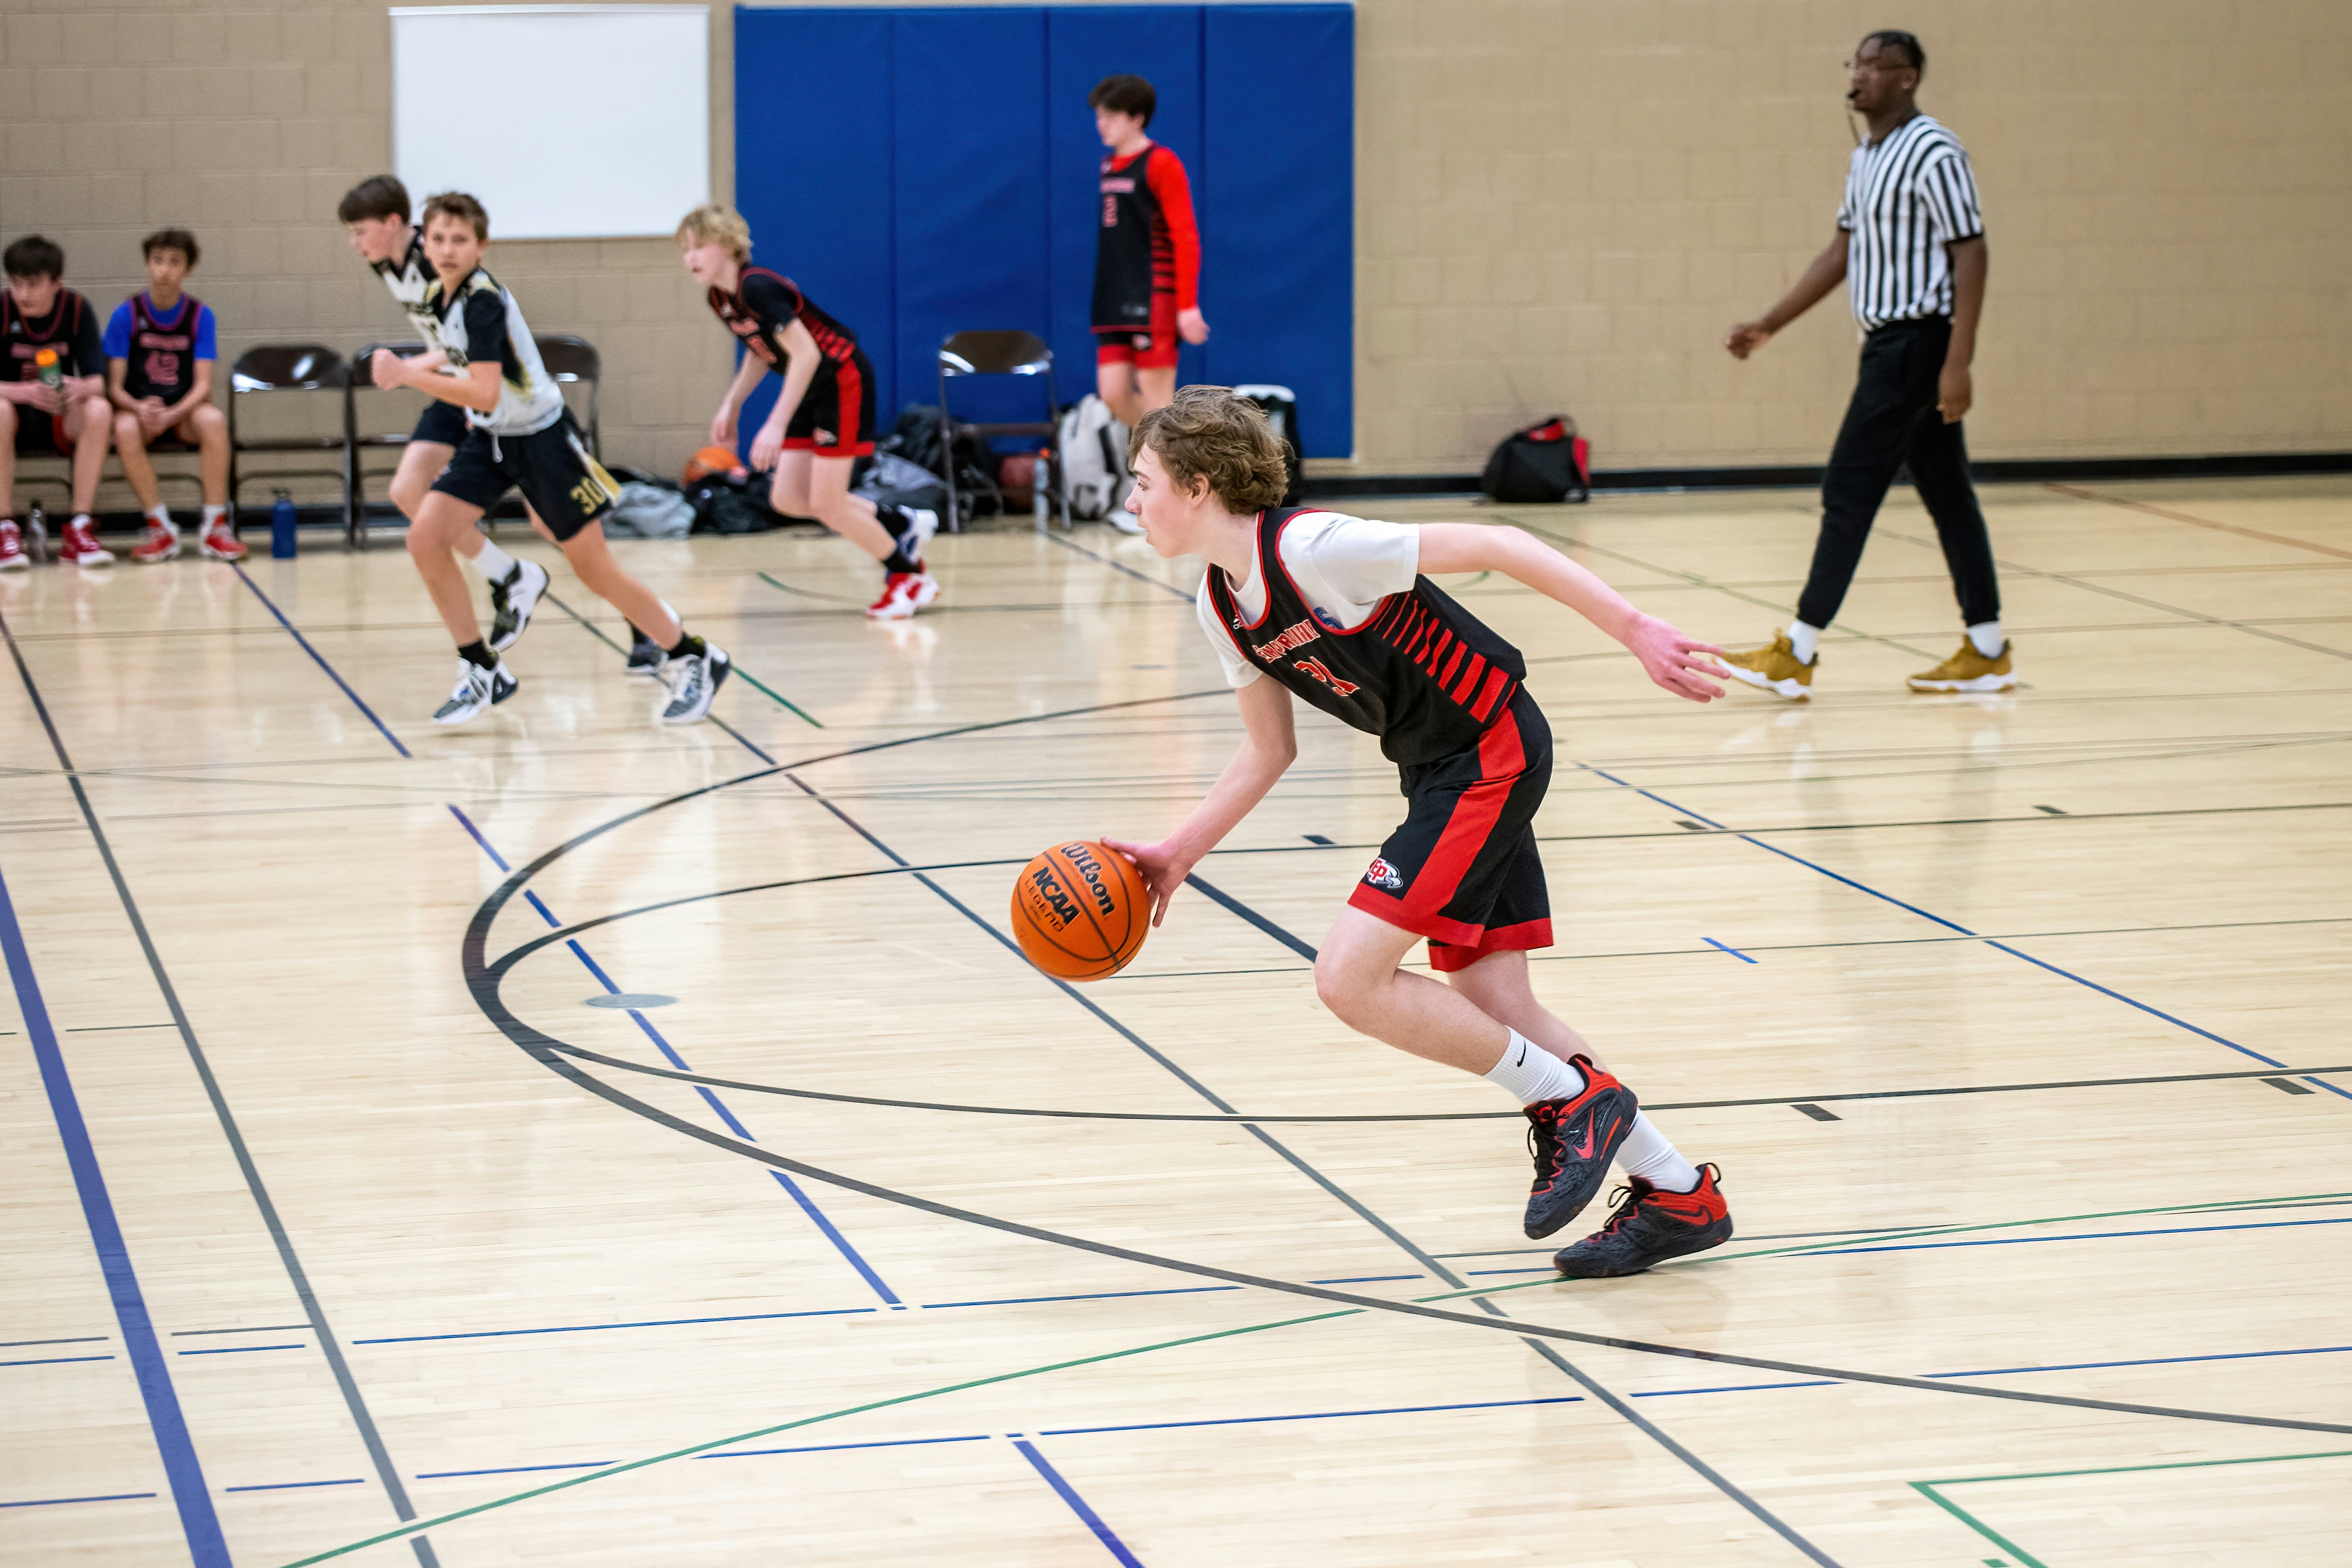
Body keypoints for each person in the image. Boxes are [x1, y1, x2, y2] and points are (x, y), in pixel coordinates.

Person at [1105, 388, 1735, 1277]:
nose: (1132, 501)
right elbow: (1267, 751)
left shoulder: (1315, 549)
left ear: (1200, 486)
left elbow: (1501, 545)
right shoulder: (1221, 603)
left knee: (1349, 978)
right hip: (1439, 770)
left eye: (1143, 482)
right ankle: (1679, 1194)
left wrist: (1634, 628)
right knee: (1497, 1004)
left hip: (1492, 749)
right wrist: (1179, 852)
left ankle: (1572, 1101)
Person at [1719, 29, 2007, 696]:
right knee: (1947, 494)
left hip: (1917, 342)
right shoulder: (1866, 158)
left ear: (1907, 79)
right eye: (1855, 62)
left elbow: (1971, 251)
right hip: (1886, 344)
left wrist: (1957, 361)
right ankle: (1987, 647)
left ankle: (1796, 649)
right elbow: (1837, 254)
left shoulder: (1933, 150)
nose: (1859, 75)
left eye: (1875, 65)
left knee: (1846, 489)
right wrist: (1769, 322)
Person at [368, 192, 728, 726]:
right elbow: (476, 385)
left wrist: (408, 375)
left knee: (594, 570)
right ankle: (481, 667)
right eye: (438, 239)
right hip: (493, 440)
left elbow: (486, 392)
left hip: (542, 441)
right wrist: (420, 366)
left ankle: (694, 654)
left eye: (460, 240)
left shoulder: (483, 300)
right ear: (425, 241)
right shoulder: (443, 295)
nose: (447, 249)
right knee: (425, 535)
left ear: (482, 247)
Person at [340, 176, 619, 667]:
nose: (355, 242)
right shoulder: (389, 267)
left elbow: (478, 345)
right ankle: (510, 574)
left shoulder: (438, 262)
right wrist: (411, 370)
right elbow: (442, 346)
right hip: (453, 388)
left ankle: (638, 623)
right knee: (408, 493)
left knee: (552, 524)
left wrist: (425, 380)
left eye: (360, 230)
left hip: (486, 394)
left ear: (392, 224)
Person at [676, 205, 938, 621]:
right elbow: (761, 355)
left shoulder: (757, 286)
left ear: (727, 246)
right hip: (811, 388)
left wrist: (776, 423)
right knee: (788, 498)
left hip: (841, 380)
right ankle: (897, 521)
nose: (690, 257)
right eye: (686, 249)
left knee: (828, 503)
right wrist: (733, 403)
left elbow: (806, 353)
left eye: (700, 247)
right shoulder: (720, 298)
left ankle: (909, 575)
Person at [107, 228, 241, 563]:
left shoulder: (200, 316)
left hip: (181, 409)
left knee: (213, 419)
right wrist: (140, 408)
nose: (163, 270)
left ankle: (214, 525)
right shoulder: (127, 314)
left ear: (187, 270)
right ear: (147, 265)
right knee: (122, 428)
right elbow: (114, 388)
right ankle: (160, 527)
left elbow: (204, 386)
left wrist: (172, 413)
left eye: (173, 262)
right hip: (138, 409)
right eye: (157, 261)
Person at [1089, 75, 1207, 434]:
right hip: (1113, 297)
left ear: (1136, 118)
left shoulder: (1162, 164)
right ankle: (1175, 453)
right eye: (1098, 116)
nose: (1101, 125)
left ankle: (1167, 476)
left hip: (1153, 298)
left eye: (1111, 116)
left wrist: (1187, 306)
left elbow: (1185, 237)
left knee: (1159, 403)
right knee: (1112, 394)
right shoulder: (1108, 166)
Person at [0, 235, 114, 569]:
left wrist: (76, 387)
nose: (23, 294)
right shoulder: (3, 309)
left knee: (99, 408)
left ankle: (78, 528)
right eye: (16, 284)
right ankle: (5, 527)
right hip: (13, 420)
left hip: (60, 418)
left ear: (56, 282)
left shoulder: (77, 309)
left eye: (33, 285)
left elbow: (98, 382)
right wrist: (25, 392)